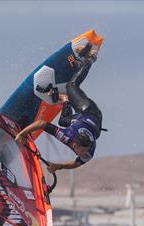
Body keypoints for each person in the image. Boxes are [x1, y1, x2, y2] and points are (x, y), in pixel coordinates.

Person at [14, 46, 102, 174]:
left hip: (91, 124)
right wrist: (21, 134)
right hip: (87, 109)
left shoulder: (88, 152)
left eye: (84, 151)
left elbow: (76, 163)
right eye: (82, 151)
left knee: (63, 122)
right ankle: (90, 59)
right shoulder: (67, 136)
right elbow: (41, 123)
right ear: (74, 145)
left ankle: (63, 99)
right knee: (71, 86)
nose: (83, 154)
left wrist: (58, 166)